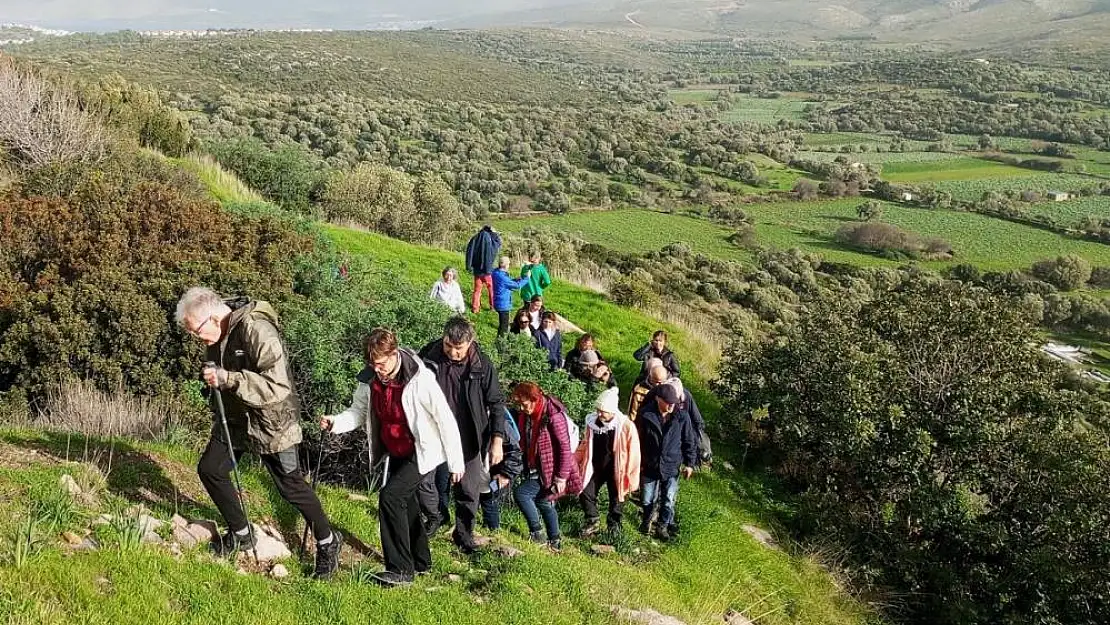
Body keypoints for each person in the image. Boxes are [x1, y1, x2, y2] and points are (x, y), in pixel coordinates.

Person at [176, 288, 343, 579]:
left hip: (272, 420)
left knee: (290, 486)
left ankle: (328, 542)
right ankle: (242, 533)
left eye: (197, 331)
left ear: (214, 317)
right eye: (192, 334)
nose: (197, 339)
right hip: (237, 418)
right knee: (210, 469)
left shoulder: (257, 329)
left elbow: (277, 387)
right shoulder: (216, 333)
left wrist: (228, 378)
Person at [321, 328, 464, 587]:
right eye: (373, 364)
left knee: (390, 497)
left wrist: (456, 462)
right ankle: (421, 562)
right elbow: (358, 412)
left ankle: (400, 570)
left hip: (422, 450)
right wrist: (335, 423)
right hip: (395, 448)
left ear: (394, 354)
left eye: (382, 363)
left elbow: (445, 418)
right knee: (405, 502)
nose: (378, 369)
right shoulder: (370, 380)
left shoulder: (419, 378)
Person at [416, 318, 507, 554]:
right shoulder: (429, 355)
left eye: (459, 348)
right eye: (449, 346)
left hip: (469, 434)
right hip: (432, 430)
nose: (453, 352)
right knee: (423, 480)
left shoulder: (482, 365)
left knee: (468, 488)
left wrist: (497, 439)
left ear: (470, 342)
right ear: (444, 337)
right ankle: (436, 516)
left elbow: (496, 403)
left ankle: (464, 534)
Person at [510, 382, 582, 551]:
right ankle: (555, 541)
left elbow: (564, 447)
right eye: (518, 404)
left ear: (535, 399)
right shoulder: (527, 415)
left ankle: (537, 533)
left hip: (551, 469)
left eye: (524, 404)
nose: (522, 408)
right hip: (537, 465)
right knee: (543, 501)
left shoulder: (553, 415)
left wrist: (561, 476)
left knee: (521, 494)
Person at [636, 383, 698, 542]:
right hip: (650, 464)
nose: (671, 405)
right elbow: (638, 439)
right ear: (658, 399)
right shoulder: (645, 415)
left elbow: (689, 441)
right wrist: (638, 462)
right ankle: (647, 520)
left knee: (668, 498)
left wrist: (690, 464)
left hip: (671, 465)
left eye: (674, 402)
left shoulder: (682, 417)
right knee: (647, 498)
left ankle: (662, 526)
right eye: (668, 402)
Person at [575, 387, 640, 538]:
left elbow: (634, 452)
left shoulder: (626, 426)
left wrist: (632, 478)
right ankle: (592, 520)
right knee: (585, 492)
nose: (599, 414)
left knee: (617, 498)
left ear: (612, 411)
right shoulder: (592, 423)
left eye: (602, 411)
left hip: (617, 469)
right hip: (595, 467)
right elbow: (585, 444)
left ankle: (614, 526)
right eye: (597, 409)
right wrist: (575, 459)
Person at [639, 365, 712, 464]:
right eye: (669, 400)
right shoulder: (656, 394)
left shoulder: (686, 396)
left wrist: (694, 434)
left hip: (681, 434)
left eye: (675, 399)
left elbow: (697, 419)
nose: (672, 404)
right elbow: (642, 412)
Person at [480, 408, 524, 532]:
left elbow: (515, 452)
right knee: (482, 496)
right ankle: (487, 526)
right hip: (485, 469)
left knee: (490, 495)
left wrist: (506, 475)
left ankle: (493, 529)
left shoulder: (501, 424)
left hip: (501, 472)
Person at [465, 225, 502, 314]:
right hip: (488, 270)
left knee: (477, 290)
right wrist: (495, 233)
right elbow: (498, 243)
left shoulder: (475, 238)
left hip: (477, 270)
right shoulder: (490, 239)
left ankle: (475, 308)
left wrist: (469, 265)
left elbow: (469, 251)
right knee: (491, 289)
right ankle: (492, 306)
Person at [493, 256, 530, 337]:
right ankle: (501, 343)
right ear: (505, 265)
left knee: (502, 324)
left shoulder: (496, 272)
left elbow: (505, 284)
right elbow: (517, 286)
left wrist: (514, 279)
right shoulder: (503, 277)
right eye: (508, 264)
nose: (509, 266)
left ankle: (499, 339)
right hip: (503, 304)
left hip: (498, 301)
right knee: (504, 326)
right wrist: (527, 278)